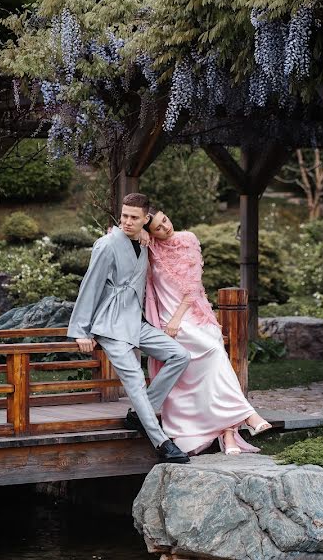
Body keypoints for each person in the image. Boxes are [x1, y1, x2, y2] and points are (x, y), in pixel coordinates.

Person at [67, 193, 192, 463]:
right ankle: (161, 442)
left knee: (180, 356)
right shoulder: (107, 244)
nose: (127, 221)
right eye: (124, 215)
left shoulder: (144, 242)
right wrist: (81, 331)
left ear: (145, 220)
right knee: (135, 381)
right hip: (110, 324)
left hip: (135, 321)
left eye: (134, 217)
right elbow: (90, 286)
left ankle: (139, 414)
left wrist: (144, 235)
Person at [142, 206, 272, 455]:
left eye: (165, 220)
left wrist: (176, 321)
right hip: (167, 320)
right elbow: (119, 230)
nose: (165, 227)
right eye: (158, 227)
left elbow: (192, 288)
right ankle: (239, 423)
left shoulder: (187, 240)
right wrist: (141, 236)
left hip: (190, 316)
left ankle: (234, 427)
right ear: (151, 233)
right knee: (215, 356)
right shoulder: (149, 249)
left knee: (214, 351)